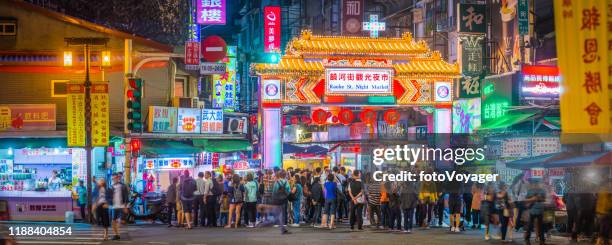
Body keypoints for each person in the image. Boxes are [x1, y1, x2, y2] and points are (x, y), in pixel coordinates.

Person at [524, 179, 546, 245]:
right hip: (532, 210)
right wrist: (533, 198)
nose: (536, 185)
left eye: (537, 183)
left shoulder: (542, 191)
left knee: (541, 226)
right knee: (530, 225)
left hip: (540, 210)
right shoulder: (530, 191)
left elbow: (544, 199)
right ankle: (527, 238)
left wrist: (539, 198)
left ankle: (542, 239)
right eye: (535, 183)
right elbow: (526, 200)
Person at [109, 173, 128, 240]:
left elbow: (126, 196)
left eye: (115, 178)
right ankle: (116, 234)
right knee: (113, 221)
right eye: (113, 178)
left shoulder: (123, 186)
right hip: (114, 206)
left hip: (121, 206)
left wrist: (125, 206)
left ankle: (117, 234)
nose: (114, 179)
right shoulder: (111, 186)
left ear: (118, 178)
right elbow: (109, 197)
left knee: (120, 221)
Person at [272, 170, 291, 234]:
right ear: (285, 175)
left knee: (277, 212)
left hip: (277, 199)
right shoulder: (286, 182)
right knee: (283, 212)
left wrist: (274, 198)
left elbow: (274, 192)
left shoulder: (276, 182)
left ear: (279, 175)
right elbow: (288, 191)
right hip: (284, 199)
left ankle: (278, 224)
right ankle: (283, 225)